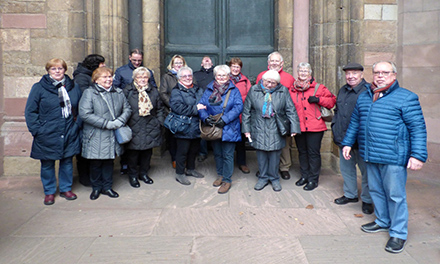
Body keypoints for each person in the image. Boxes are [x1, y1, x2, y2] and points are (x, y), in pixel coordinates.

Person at [342, 61, 427, 254]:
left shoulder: (406, 97)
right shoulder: (365, 97)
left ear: (394, 75)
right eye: (377, 72)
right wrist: (347, 143)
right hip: (370, 154)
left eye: (385, 72)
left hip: (393, 156)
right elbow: (355, 122)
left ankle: (398, 233)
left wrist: (418, 155)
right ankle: (382, 221)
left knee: (395, 195)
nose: (380, 76)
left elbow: (418, 128)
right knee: (376, 191)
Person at [25, 58, 81, 205]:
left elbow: (81, 109)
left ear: (65, 70)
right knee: (47, 164)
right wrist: (37, 130)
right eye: (53, 69)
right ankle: (49, 192)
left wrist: (76, 126)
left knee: (67, 162)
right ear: (48, 71)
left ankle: (65, 189)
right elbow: (30, 111)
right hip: (47, 132)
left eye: (60, 68)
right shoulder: (39, 88)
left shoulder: (74, 87)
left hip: (69, 130)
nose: (57, 71)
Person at [242, 70, 300, 191]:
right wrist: (246, 129)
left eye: (273, 83)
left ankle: (274, 178)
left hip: (276, 127)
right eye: (268, 82)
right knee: (261, 155)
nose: (270, 85)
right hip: (258, 126)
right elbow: (247, 111)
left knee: (275, 155)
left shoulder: (283, 91)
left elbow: (291, 110)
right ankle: (263, 178)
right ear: (262, 80)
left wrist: (294, 127)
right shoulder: (254, 90)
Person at [79, 67, 132, 200]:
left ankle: (107, 187)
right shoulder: (89, 93)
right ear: (96, 80)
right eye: (104, 77)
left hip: (112, 134)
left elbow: (127, 108)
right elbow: (85, 113)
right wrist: (106, 124)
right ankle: (96, 188)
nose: (108, 79)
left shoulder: (118, 92)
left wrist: (119, 121)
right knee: (96, 163)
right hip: (96, 134)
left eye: (110, 76)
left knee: (109, 162)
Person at [332, 62, 373, 214]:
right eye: (348, 74)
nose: (350, 76)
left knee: (366, 172)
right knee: (347, 169)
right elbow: (338, 111)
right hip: (344, 138)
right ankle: (350, 195)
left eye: (354, 73)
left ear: (361, 75)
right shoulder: (343, 90)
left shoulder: (368, 90)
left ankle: (368, 200)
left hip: (362, 141)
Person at [290, 62, 336, 191]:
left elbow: (332, 101)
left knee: (313, 153)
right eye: (301, 71)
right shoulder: (292, 89)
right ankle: (304, 175)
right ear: (297, 73)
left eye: (306, 71)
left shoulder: (319, 88)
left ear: (310, 73)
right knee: (302, 152)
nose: (303, 73)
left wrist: (318, 100)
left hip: (315, 126)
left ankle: (313, 179)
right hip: (299, 126)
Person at [199, 65, 243, 194]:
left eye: (224, 75)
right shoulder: (208, 89)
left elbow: (238, 107)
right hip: (214, 127)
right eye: (219, 75)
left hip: (229, 127)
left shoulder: (234, 90)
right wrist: (206, 118)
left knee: (228, 155)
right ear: (215, 76)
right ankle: (220, 175)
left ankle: (227, 180)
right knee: (217, 153)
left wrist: (225, 119)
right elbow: (201, 105)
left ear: (228, 76)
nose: (221, 77)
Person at [114, 49, 156, 175]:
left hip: (148, 119)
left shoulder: (147, 72)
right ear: (129, 57)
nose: (137, 62)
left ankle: (143, 171)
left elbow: (154, 88)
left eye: (139, 60)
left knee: (146, 148)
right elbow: (116, 89)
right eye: (134, 60)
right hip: (131, 115)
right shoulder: (121, 71)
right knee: (130, 147)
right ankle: (126, 167)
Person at [123, 67, 165, 188]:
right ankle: (133, 176)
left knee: (147, 153)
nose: (142, 79)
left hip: (150, 126)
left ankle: (144, 173)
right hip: (133, 126)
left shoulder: (153, 91)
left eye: (145, 77)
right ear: (134, 78)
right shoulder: (127, 91)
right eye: (139, 77)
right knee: (133, 154)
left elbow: (160, 109)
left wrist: (159, 122)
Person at [256, 51, 295, 179]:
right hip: (264, 117)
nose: (274, 63)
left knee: (283, 143)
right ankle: (264, 169)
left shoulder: (289, 78)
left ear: (282, 63)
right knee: (264, 143)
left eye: (276, 61)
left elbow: (291, 100)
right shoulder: (261, 75)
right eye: (272, 61)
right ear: (268, 63)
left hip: (281, 117)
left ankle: (284, 167)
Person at [73, 54, 106, 187]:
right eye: (102, 64)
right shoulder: (82, 78)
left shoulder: (88, 76)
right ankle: (85, 178)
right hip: (86, 119)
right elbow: (85, 98)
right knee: (84, 151)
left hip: (95, 117)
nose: (104, 66)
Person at [169, 67, 205, 185]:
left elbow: (204, 102)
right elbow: (177, 107)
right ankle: (180, 173)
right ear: (179, 78)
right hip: (183, 125)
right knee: (182, 151)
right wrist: (196, 109)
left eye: (189, 75)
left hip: (196, 125)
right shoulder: (176, 91)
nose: (188, 78)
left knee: (194, 149)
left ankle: (190, 169)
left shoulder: (197, 88)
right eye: (184, 76)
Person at [160, 55, 192, 168]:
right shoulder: (167, 77)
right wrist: (174, 106)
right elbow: (163, 93)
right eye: (176, 63)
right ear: (172, 64)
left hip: (187, 112)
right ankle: (174, 159)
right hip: (171, 112)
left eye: (180, 63)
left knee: (185, 138)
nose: (178, 65)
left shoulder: (188, 75)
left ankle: (185, 159)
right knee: (173, 138)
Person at [228, 57, 251, 174]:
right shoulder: (225, 79)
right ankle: (228, 164)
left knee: (241, 141)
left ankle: (242, 163)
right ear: (230, 67)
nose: (235, 69)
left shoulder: (245, 81)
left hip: (241, 115)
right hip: (228, 115)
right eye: (233, 66)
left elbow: (250, 96)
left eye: (237, 66)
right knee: (228, 141)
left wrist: (238, 100)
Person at [193, 56, 215, 162]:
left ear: (212, 63)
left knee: (216, 128)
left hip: (215, 104)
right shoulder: (195, 74)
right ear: (201, 64)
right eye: (204, 60)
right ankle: (203, 152)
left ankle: (217, 152)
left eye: (209, 59)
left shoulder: (216, 73)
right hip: (201, 104)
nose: (206, 60)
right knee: (202, 128)